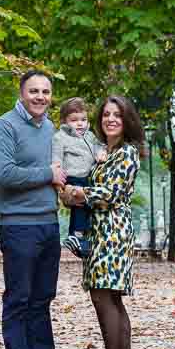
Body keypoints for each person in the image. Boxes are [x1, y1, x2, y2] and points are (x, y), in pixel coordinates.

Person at [0, 70, 70, 349]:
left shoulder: (50, 129)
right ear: (22, 93)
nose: (40, 97)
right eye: (33, 91)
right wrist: (47, 173)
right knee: (19, 298)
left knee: (42, 298)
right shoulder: (4, 126)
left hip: (48, 223)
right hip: (17, 225)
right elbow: (5, 174)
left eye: (45, 92)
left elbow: (62, 171)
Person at [64, 95, 145, 349]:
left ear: (127, 121)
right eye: (106, 114)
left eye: (117, 115)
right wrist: (72, 191)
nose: (110, 119)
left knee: (102, 296)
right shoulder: (101, 151)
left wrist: (79, 194)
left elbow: (110, 193)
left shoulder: (127, 153)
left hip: (113, 232)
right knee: (111, 298)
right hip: (98, 231)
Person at [52, 97, 106, 259]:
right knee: (80, 206)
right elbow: (56, 158)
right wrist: (58, 178)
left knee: (89, 206)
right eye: (74, 120)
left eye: (83, 119)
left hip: (88, 176)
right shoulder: (60, 137)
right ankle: (75, 235)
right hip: (73, 177)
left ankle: (82, 235)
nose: (80, 123)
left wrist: (100, 153)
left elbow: (98, 146)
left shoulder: (90, 136)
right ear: (64, 121)